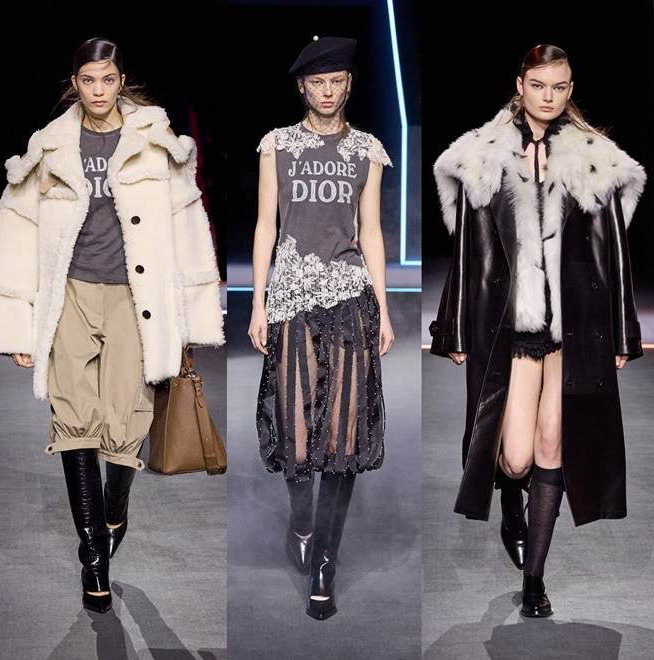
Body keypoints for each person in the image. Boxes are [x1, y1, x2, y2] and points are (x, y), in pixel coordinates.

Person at [0, 37, 224, 613]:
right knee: (74, 421)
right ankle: (93, 556)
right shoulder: (50, 146)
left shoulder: (155, 142)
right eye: (88, 80)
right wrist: (17, 327)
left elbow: (187, 226)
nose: (98, 91)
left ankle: (115, 509)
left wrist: (189, 316)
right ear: (75, 84)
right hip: (70, 296)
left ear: (121, 80)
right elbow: (16, 232)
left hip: (135, 300)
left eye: (108, 79)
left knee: (127, 422)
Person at [429, 44, 645, 617]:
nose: (549, 96)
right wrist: (453, 327)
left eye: (560, 86)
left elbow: (615, 253)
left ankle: (534, 581)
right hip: (513, 326)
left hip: (575, 327)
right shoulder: (483, 156)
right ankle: (511, 506)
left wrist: (623, 333)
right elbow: (468, 251)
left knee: (554, 447)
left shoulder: (595, 159)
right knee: (517, 459)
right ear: (520, 85)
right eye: (539, 85)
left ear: (570, 90)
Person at [248, 36, 395, 620]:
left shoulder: (368, 150)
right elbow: (266, 225)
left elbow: (371, 231)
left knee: (342, 435)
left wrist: (384, 308)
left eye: (337, 81)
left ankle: (326, 563)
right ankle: (303, 522)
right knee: (297, 432)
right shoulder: (277, 146)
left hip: (350, 295)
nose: (328, 91)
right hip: (291, 298)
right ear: (302, 87)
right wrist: (257, 303)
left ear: (349, 84)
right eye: (317, 83)